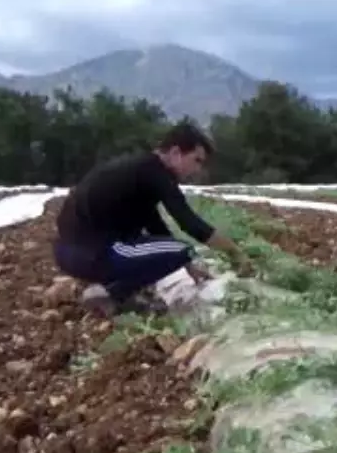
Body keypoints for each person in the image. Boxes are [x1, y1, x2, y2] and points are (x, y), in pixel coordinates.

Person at [52, 122, 255, 316]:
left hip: (70, 252)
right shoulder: (156, 173)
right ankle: (110, 295)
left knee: (176, 251)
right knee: (184, 248)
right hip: (92, 253)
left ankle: (113, 289)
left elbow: (154, 224)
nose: (198, 170)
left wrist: (187, 266)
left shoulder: (141, 169)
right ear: (176, 153)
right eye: (197, 160)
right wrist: (235, 252)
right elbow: (189, 223)